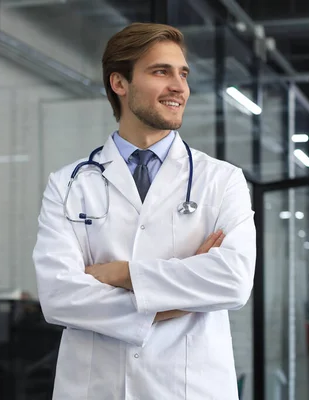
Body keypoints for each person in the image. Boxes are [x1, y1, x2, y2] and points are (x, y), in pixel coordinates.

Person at [32, 22, 256, 400]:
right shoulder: (68, 183)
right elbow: (58, 297)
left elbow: (233, 280)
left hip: (188, 388)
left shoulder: (222, 180)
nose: (179, 86)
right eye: (160, 72)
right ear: (119, 83)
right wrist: (177, 302)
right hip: (95, 388)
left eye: (182, 73)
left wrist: (123, 274)